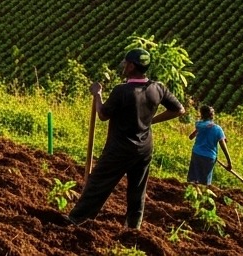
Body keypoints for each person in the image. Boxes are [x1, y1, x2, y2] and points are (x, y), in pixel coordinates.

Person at [64, 48, 185, 230]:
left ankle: (76, 220)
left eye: (126, 63)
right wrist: (151, 120)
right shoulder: (157, 88)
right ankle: (133, 228)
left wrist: (97, 94)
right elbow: (178, 110)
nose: (123, 66)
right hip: (144, 148)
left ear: (131, 66)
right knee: (137, 189)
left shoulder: (122, 91)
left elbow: (103, 115)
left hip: (120, 148)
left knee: (98, 183)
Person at [188, 105, 232, 185]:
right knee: (204, 183)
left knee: (193, 178)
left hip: (196, 153)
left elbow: (191, 137)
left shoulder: (199, 125)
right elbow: (223, 146)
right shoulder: (218, 129)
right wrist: (229, 162)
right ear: (212, 115)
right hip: (209, 157)